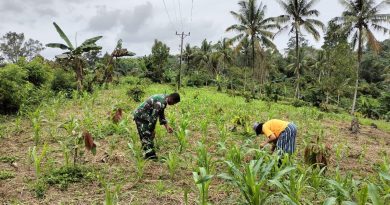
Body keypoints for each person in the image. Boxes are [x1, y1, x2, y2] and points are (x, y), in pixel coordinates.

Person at [133, 93, 180, 160]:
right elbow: (153, 118)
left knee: (147, 135)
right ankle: (150, 156)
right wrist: (152, 130)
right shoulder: (160, 102)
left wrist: (167, 126)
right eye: (174, 103)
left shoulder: (164, 99)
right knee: (146, 135)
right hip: (141, 116)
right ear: (171, 99)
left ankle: (148, 152)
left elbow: (161, 113)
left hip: (145, 116)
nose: (173, 105)